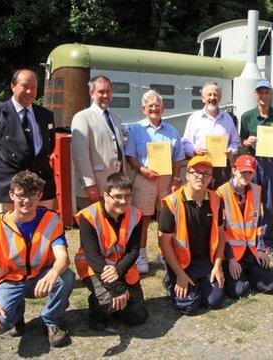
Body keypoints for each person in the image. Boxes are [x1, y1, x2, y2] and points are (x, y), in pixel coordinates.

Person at [0, 171, 74, 347]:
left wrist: (52, 274)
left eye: (32, 195)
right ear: (12, 195)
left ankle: (51, 321)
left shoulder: (50, 219)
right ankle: (16, 313)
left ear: (40, 195)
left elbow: (63, 258)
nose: (27, 201)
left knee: (66, 277)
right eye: (21, 195)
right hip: (10, 281)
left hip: (41, 277)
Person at [74, 173, 148, 331]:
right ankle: (97, 308)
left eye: (127, 196)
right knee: (110, 300)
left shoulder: (136, 215)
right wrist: (117, 288)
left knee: (137, 318)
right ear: (106, 195)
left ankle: (117, 306)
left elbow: (134, 250)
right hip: (95, 267)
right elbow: (92, 256)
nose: (123, 201)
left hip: (121, 266)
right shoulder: (89, 217)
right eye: (117, 196)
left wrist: (119, 269)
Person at [0, 69, 56, 212]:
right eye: (25, 86)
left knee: (42, 230)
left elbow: (49, 147)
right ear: (13, 86)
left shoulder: (46, 115)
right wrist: (2, 170)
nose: (30, 92)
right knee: (11, 232)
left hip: (42, 187)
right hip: (10, 188)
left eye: (33, 88)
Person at [125, 90, 185, 273]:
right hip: (145, 179)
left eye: (157, 105)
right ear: (144, 109)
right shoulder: (136, 129)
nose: (154, 109)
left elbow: (178, 158)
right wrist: (143, 170)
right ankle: (141, 254)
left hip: (167, 181)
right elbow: (130, 156)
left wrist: (175, 179)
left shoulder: (172, 130)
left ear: (163, 108)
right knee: (142, 218)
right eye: (150, 106)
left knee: (165, 218)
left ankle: (163, 252)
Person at [158, 155, 225, 315]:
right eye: (196, 172)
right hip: (180, 262)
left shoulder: (216, 199)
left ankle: (200, 282)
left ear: (211, 178)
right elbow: (164, 243)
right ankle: (171, 280)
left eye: (206, 173)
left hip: (205, 259)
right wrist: (180, 274)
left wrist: (218, 265)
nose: (200, 177)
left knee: (214, 301)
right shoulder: (172, 202)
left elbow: (221, 235)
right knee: (188, 306)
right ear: (187, 175)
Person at [216, 155, 273, 298]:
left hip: (251, 251)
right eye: (242, 171)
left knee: (271, 286)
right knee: (240, 292)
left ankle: (248, 272)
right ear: (233, 170)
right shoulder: (221, 193)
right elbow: (221, 232)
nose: (246, 175)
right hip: (231, 254)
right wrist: (231, 259)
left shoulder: (257, 190)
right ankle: (235, 274)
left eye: (250, 172)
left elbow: (259, 224)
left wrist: (261, 249)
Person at [240, 79, 273, 254]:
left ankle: (267, 243)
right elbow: (242, 141)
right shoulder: (247, 116)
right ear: (255, 95)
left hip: (272, 163)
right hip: (254, 163)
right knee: (251, 204)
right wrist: (248, 141)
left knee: (268, 205)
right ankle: (251, 239)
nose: (263, 96)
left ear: (271, 94)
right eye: (260, 92)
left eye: (266, 92)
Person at [71, 75, 126, 210]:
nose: (105, 95)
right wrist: (89, 184)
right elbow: (80, 154)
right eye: (101, 92)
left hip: (116, 186)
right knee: (94, 227)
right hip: (95, 187)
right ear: (91, 93)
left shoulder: (116, 117)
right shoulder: (82, 117)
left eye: (108, 91)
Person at [181, 81, 241, 189]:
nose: (212, 97)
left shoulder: (227, 118)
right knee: (202, 199)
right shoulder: (194, 118)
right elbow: (185, 143)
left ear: (220, 98)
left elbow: (235, 141)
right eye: (209, 95)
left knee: (221, 199)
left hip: (222, 169)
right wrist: (195, 149)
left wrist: (231, 150)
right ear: (203, 98)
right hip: (200, 167)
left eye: (215, 95)